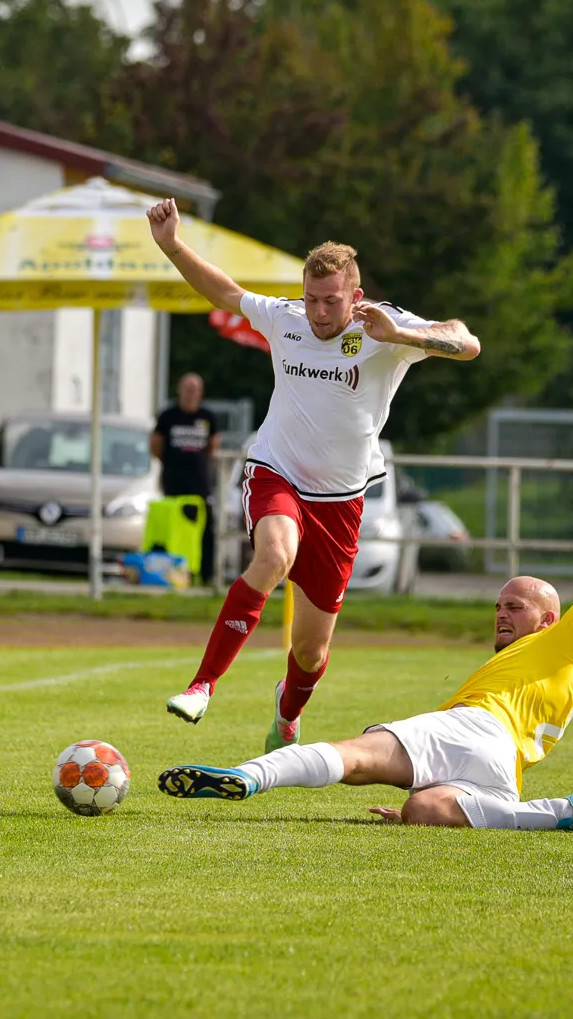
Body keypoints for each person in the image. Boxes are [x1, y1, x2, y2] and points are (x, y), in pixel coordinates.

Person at [147, 198, 482, 752]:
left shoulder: (384, 327)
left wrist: (403, 338)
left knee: (310, 652)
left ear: (355, 295)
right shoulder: (286, 319)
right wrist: (172, 246)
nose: (319, 313)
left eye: (331, 301)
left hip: (340, 501)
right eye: (311, 299)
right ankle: (202, 684)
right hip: (276, 471)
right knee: (273, 556)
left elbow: (467, 343)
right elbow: (225, 293)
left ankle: (288, 711)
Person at [158, 504, 573, 831]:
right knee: (422, 810)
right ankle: (559, 813)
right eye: (498, 605)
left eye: (515, 606)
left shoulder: (565, 641)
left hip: (474, 729)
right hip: (501, 773)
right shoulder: (547, 669)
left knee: (357, 756)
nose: (501, 613)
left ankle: (246, 777)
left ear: (549, 620)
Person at [151, 372, 221, 585]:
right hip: (174, 482)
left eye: (194, 390)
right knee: (175, 528)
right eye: (187, 389)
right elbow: (155, 444)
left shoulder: (207, 417)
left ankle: (207, 575)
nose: (190, 394)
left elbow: (213, 445)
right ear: (179, 390)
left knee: (206, 528)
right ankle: (173, 572)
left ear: (200, 393)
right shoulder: (168, 416)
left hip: (200, 483)